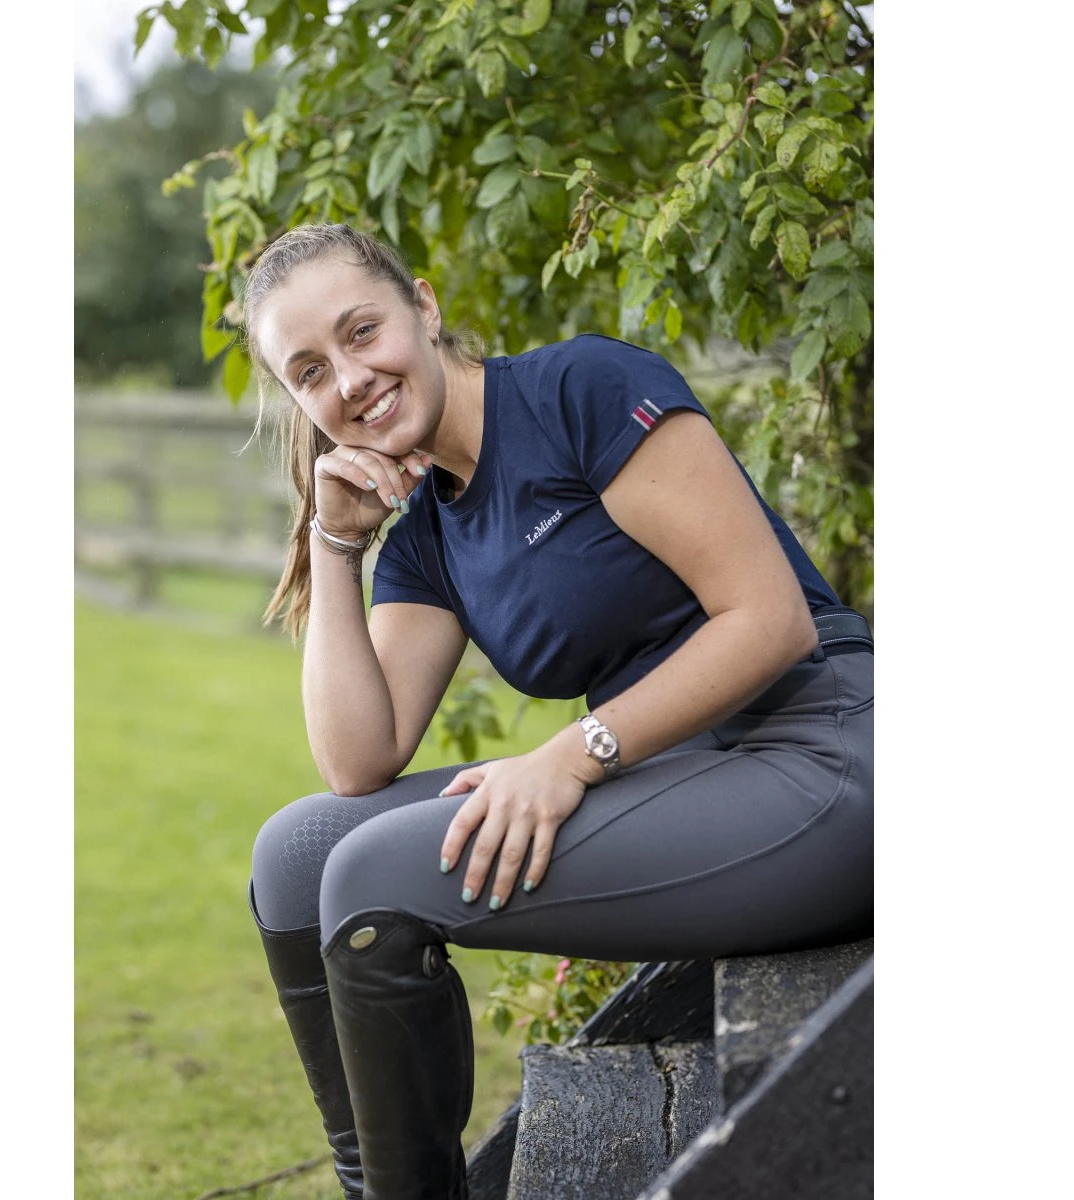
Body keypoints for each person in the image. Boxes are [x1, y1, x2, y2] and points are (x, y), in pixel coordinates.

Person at [242, 223, 873, 1199]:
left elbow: (770, 621)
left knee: (371, 878)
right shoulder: (429, 534)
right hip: (681, 774)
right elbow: (357, 761)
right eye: (311, 372)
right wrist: (334, 543)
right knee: (295, 855)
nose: (352, 380)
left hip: (818, 752)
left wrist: (573, 753)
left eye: (362, 331)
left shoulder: (581, 390)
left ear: (424, 306)